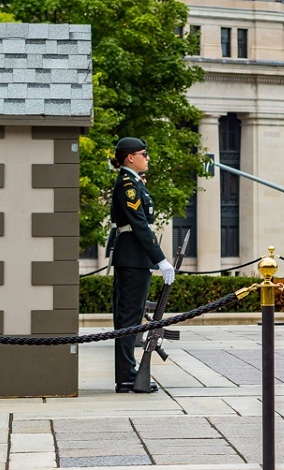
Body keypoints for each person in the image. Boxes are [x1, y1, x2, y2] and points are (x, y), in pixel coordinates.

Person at [109, 137, 175, 393]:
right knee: (128, 319)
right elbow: (139, 224)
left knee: (131, 318)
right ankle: (126, 376)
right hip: (133, 257)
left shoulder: (133, 182)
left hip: (134, 257)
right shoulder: (127, 184)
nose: (147, 158)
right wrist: (160, 259)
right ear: (130, 158)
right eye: (143, 154)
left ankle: (127, 373)